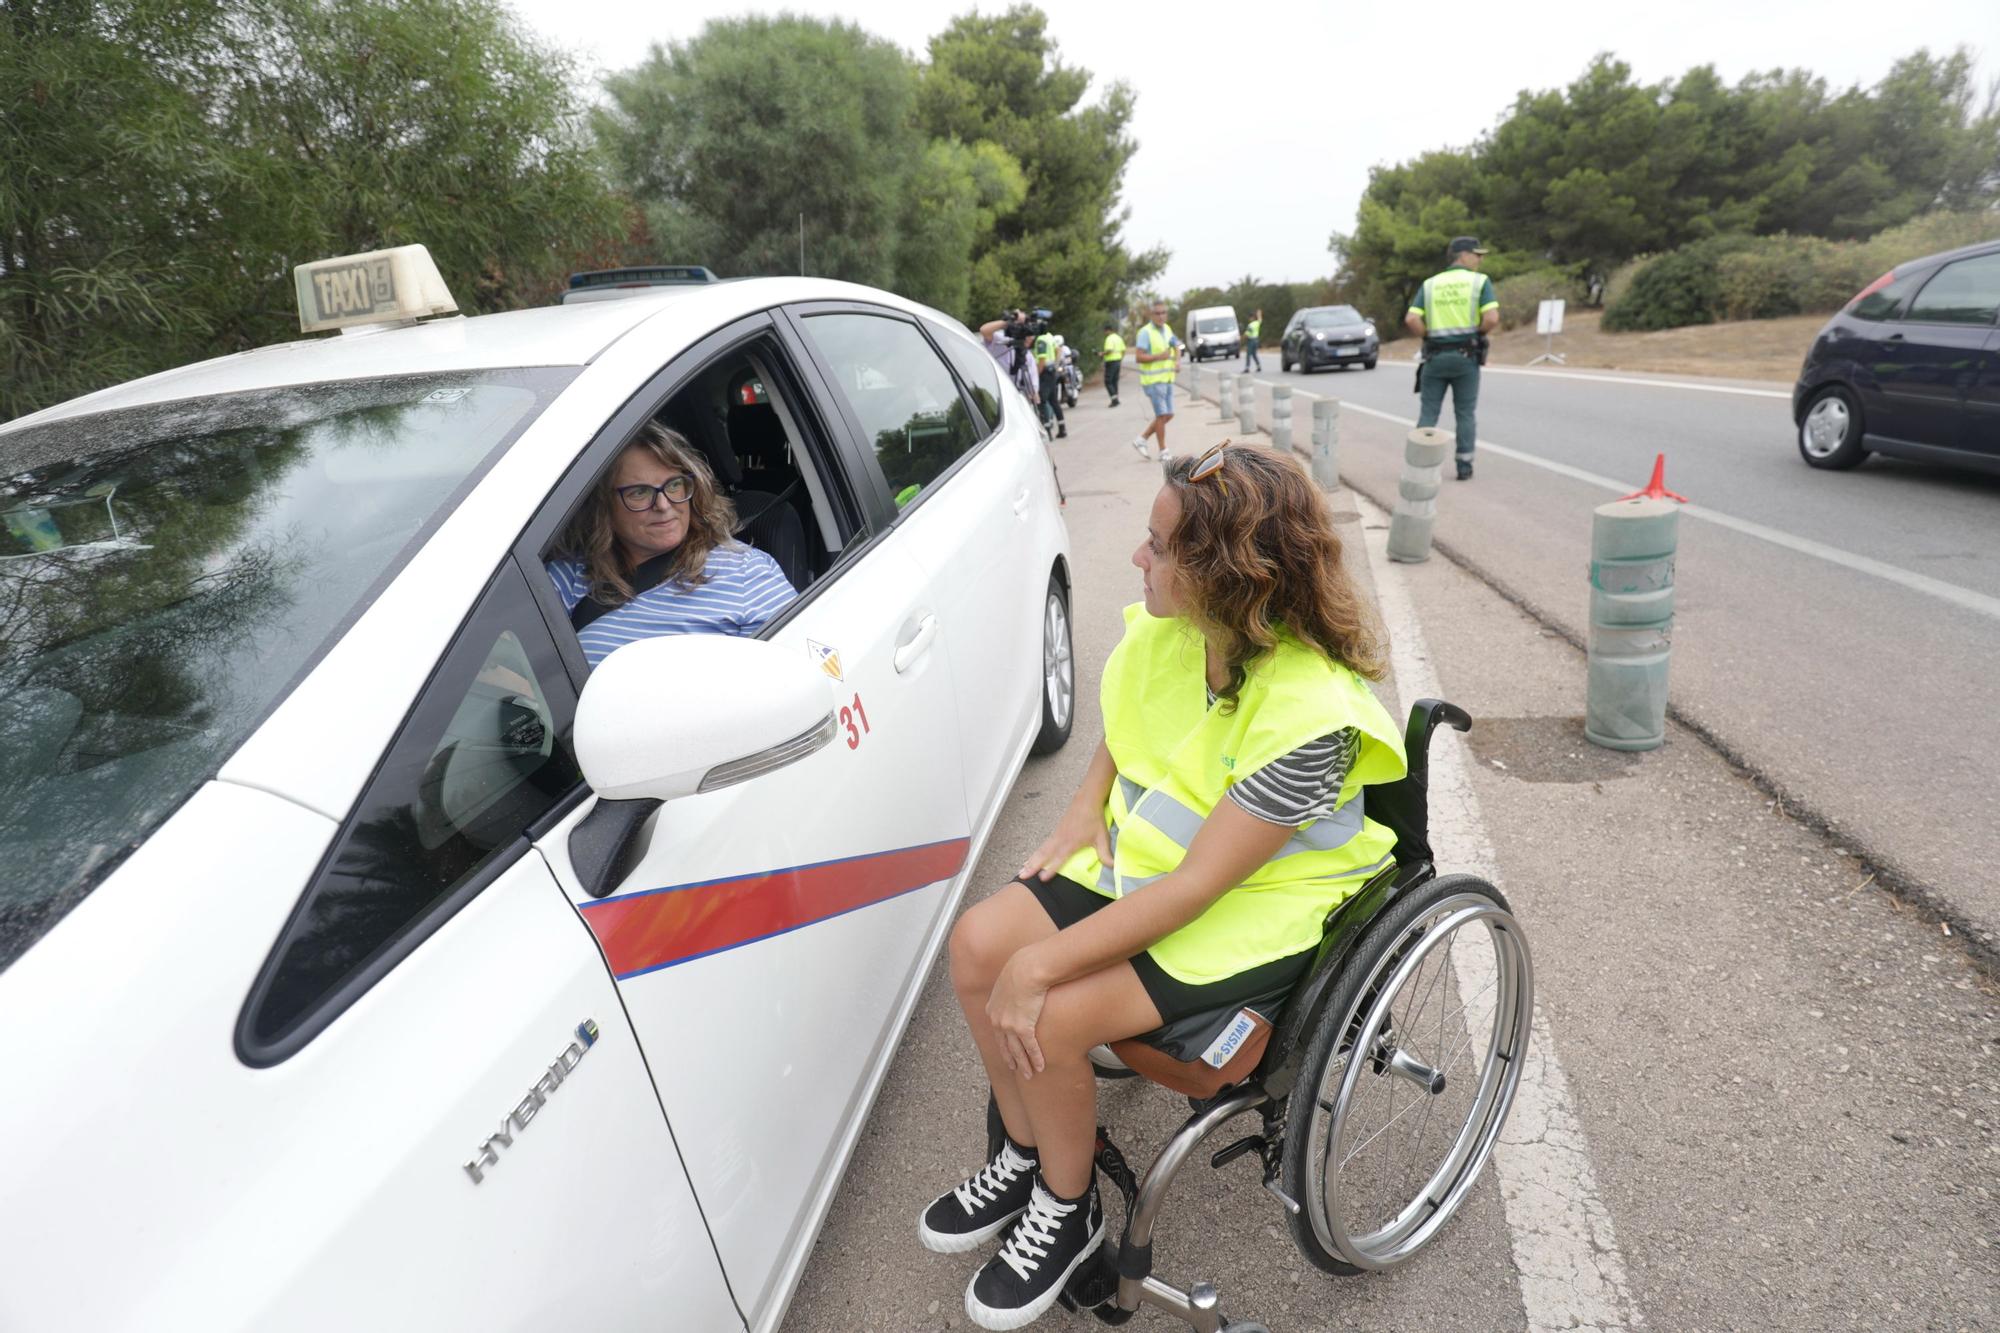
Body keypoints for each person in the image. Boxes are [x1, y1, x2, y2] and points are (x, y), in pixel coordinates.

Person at [919, 443, 1407, 1330]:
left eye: (1157, 545)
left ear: (1226, 575)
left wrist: (1044, 970)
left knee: (1049, 1008)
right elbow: (1130, 720)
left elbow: (1195, 893)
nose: (1137, 558)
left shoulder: (1311, 717)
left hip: (1254, 913)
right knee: (978, 946)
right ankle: (1027, 1154)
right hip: (1156, 872)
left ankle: (1068, 1210)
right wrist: (1083, 801)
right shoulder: (1183, 633)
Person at [546, 424, 796, 666]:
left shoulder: (747, 573)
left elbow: (794, 674)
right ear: (602, 506)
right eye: (639, 492)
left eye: (675, 485)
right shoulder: (567, 576)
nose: (664, 505)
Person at [1405, 237, 1499, 480]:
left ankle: (1419, 467)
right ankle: (1464, 467)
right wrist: (1476, 334)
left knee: (1428, 413)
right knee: (1465, 413)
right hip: (1465, 358)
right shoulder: (1479, 282)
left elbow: (1412, 319)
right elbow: (1491, 318)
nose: (1481, 259)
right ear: (1463, 255)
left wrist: (1429, 336)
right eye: (1477, 254)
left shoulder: (1430, 284)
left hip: (1434, 357)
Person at [1127, 300, 1182, 463]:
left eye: (1163, 312)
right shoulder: (1145, 332)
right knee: (1161, 415)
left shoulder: (1167, 329)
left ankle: (1141, 439)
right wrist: (1159, 356)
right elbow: (1138, 356)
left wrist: (1177, 361)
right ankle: (1163, 450)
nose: (1161, 316)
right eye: (1157, 313)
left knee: (1169, 414)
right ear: (1151, 315)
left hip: (1167, 379)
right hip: (1153, 381)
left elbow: (1176, 346)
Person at [977, 313, 1042, 408]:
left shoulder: (1028, 355)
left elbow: (1033, 382)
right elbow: (984, 330)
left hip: (1018, 400)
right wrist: (1009, 322)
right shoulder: (1003, 341)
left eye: (1031, 334)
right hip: (997, 396)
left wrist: (1034, 393)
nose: (1030, 337)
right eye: (1027, 333)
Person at [1034, 326, 1067, 439]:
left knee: (1042, 401)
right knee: (1054, 401)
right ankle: (1062, 428)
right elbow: (1059, 350)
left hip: (1044, 374)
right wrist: (1056, 365)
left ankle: (1047, 431)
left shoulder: (1041, 340)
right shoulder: (1050, 337)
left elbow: (1042, 360)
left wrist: (1036, 374)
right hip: (1052, 372)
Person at [1100, 323, 1124, 406]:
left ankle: (1114, 400)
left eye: (1105, 331)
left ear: (1108, 330)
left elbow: (1109, 350)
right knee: (1115, 381)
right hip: (1118, 361)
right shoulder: (1118, 338)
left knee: (1108, 381)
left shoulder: (1109, 339)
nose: (1104, 333)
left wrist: (1102, 354)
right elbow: (1123, 350)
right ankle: (1116, 398)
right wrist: (1121, 359)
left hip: (1111, 362)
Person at [1242, 307, 1263, 372]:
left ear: (1251, 318)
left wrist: (1242, 339)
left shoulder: (1250, 325)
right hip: (1256, 340)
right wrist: (1259, 313)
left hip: (1251, 341)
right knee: (1254, 354)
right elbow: (1260, 319)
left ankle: (1247, 368)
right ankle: (1258, 366)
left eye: (1250, 318)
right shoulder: (1257, 323)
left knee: (1248, 354)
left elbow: (1247, 335)